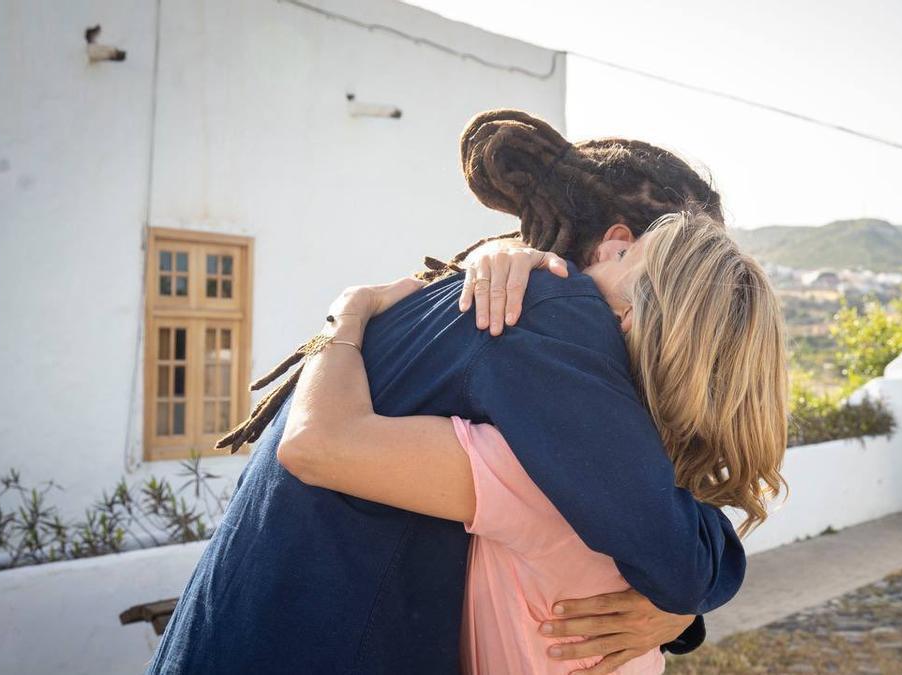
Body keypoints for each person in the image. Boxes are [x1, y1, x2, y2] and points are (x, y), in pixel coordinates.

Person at [149, 111, 747, 674]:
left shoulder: (477, 301)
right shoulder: (550, 315)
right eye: (683, 274)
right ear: (620, 244)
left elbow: (612, 504)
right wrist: (688, 596)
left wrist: (343, 319)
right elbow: (677, 555)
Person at [278, 210, 789, 674]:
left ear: (626, 319)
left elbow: (316, 443)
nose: (605, 249)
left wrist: (346, 314)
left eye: (626, 255)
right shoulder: (665, 492)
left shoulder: (535, 467)